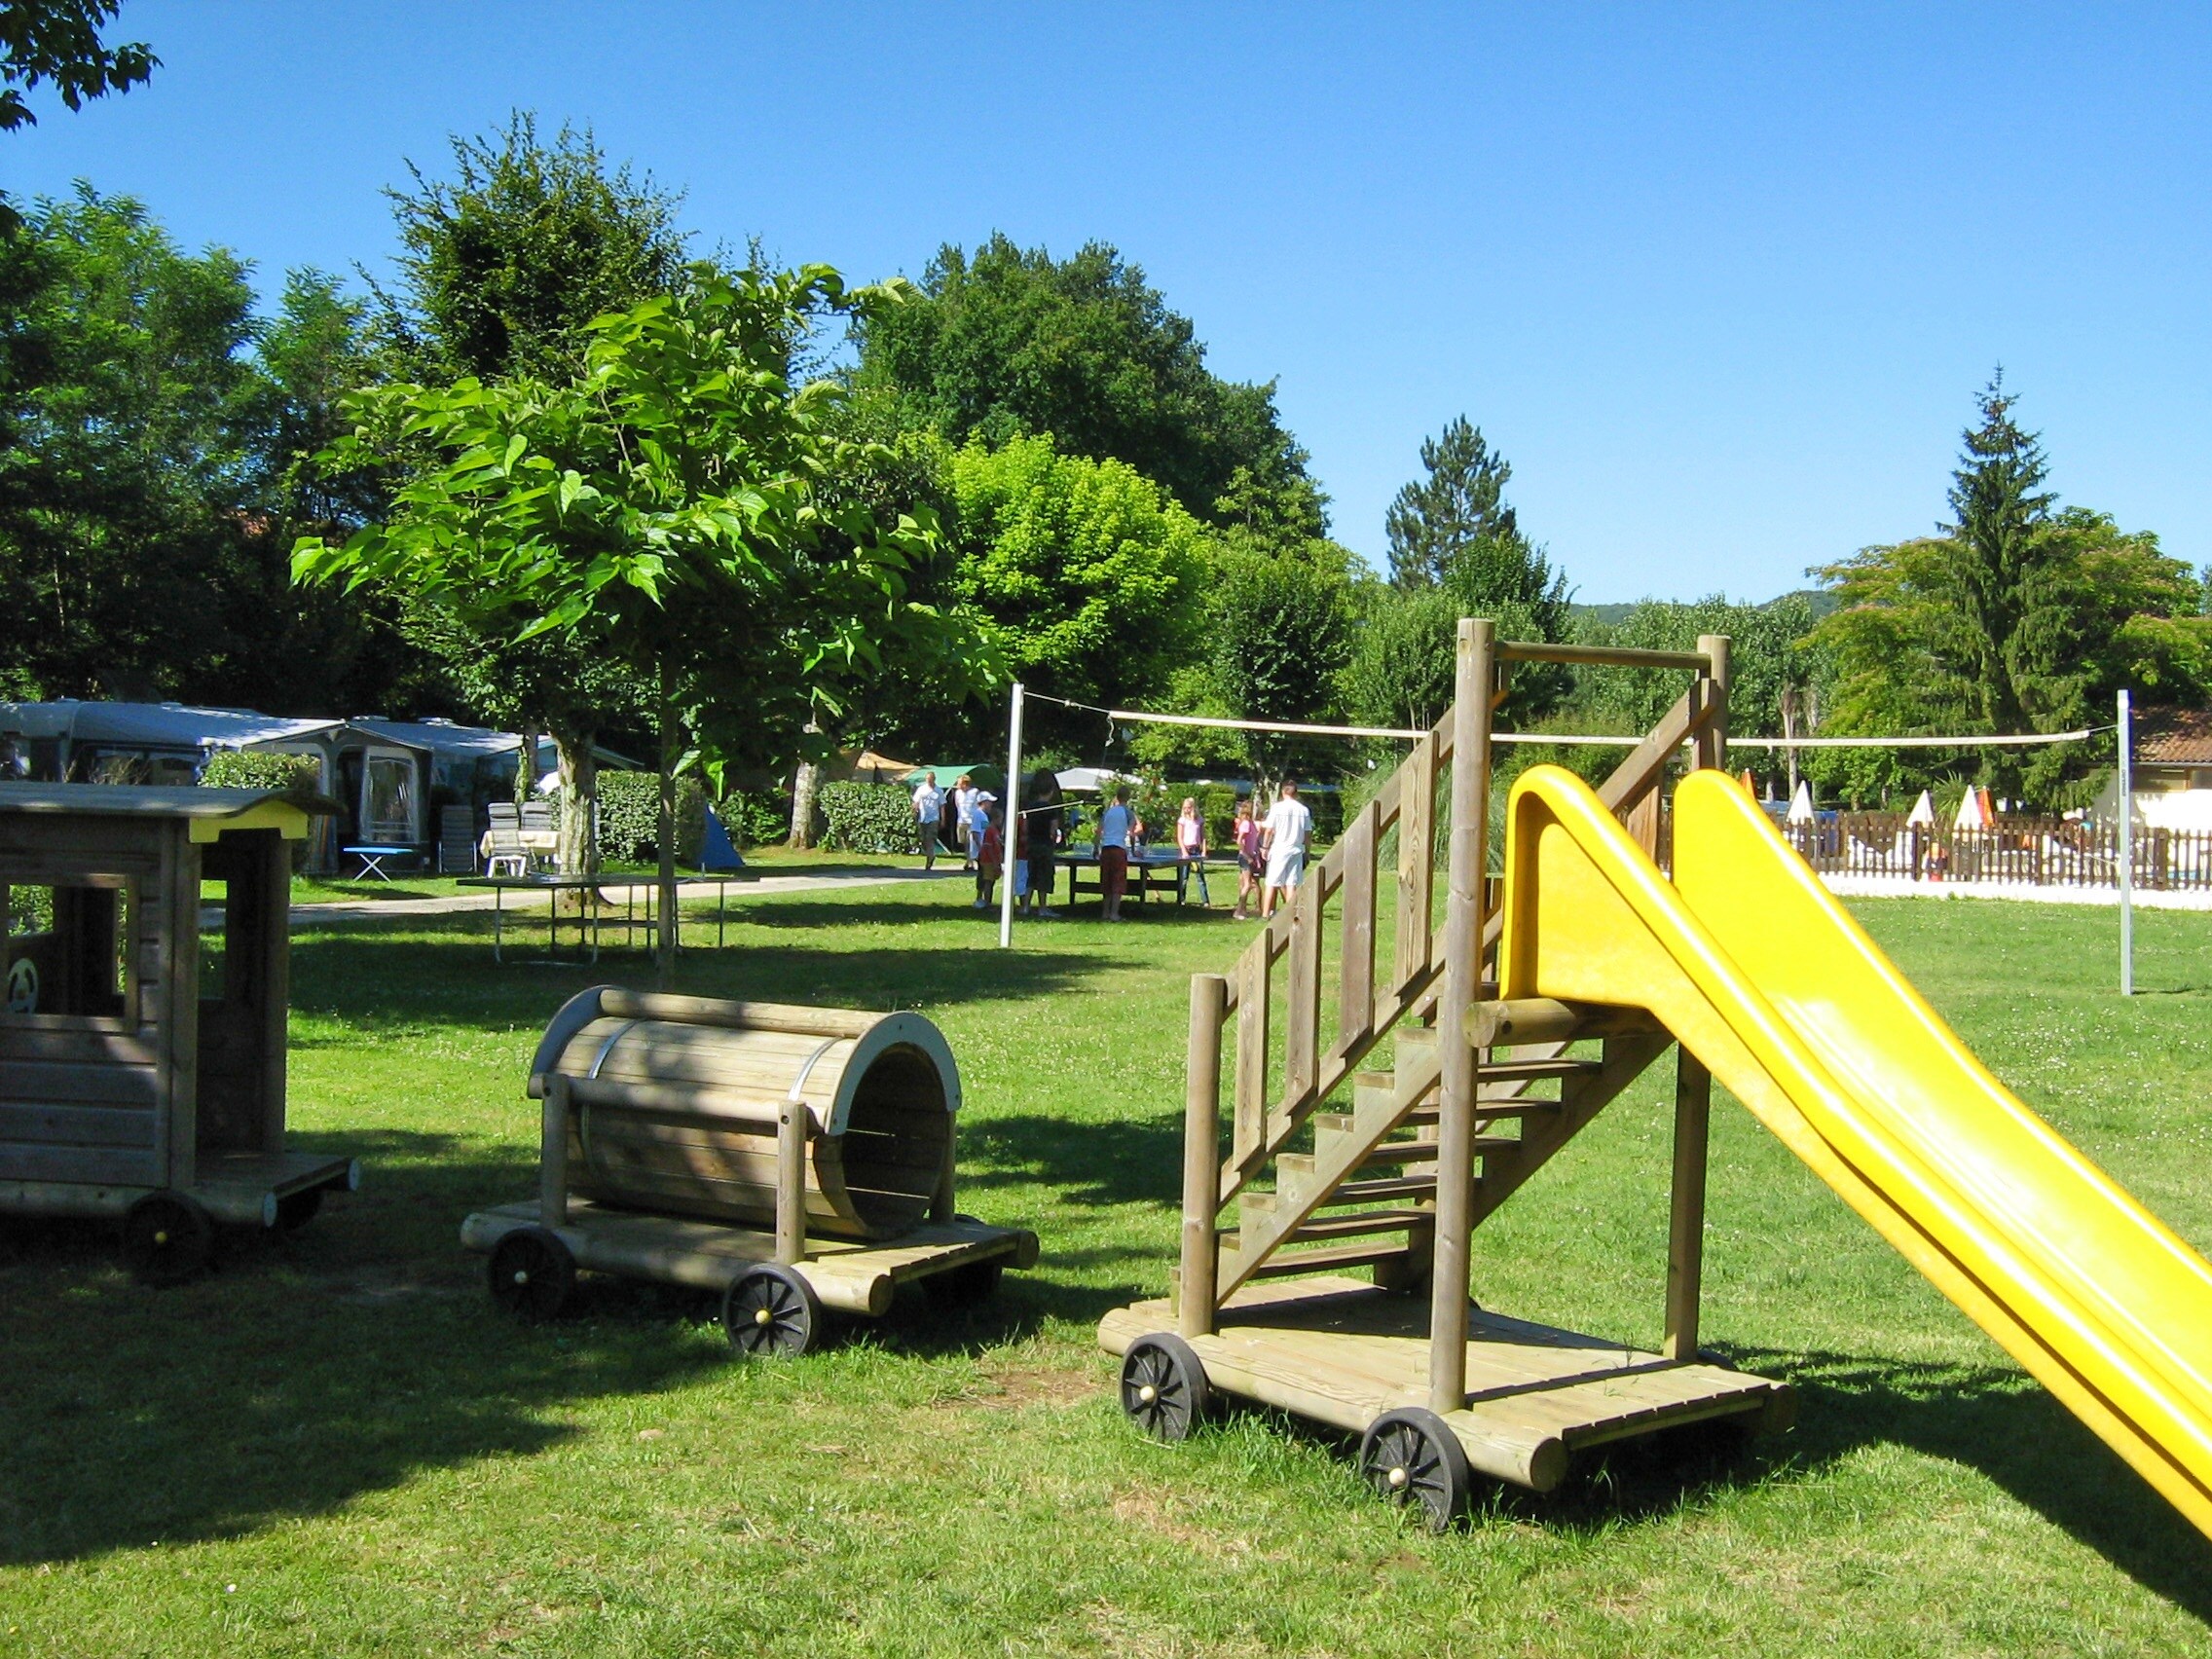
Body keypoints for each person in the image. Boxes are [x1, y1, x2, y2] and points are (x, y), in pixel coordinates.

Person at [1259, 780, 1313, 920]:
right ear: (1296, 793)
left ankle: (1265, 914)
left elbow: (1270, 829)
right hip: (1296, 849)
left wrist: (1265, 846)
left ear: (1283, 792)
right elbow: (1307, 833)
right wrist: (1307, 851)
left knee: (1272, 882)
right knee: (1292, 883)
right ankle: (1290, 914)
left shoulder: (1278, 808)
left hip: (1280, 848)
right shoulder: (1303, 810)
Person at [1021, 769, 1063, 917]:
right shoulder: (1051, 810)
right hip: (1045, 845)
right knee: (1044, 877)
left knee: (1031, 876)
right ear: (1050, 791)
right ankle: (1042, 908)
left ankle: (1025, 907)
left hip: (1032, 844)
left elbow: (1025, 827)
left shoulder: (1030, 807)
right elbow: (1054, 831)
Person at [1097, 784, 1137, 922]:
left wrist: (1096, 847)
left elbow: (1099, 830)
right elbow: (1131, 834)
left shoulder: (1108, 812)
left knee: (1106, 881)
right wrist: (1133, 850)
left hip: (1106, 848)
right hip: (1119, 848)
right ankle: (1114, 914)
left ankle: (1105, 912)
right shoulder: (1128, 813)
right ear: (1128, 797)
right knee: (1117, 882)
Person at [1174, 796, 1212, 907]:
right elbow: (1180, 837)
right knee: (1184, 877)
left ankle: (1205, 901)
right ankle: (1181, 899)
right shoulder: (1182, 820)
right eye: (1184, 808)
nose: (1186, 810)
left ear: (1193, 808)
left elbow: (1203, 836)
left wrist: (1204, 850)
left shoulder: (1199, 820)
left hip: (1196, 850)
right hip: (1186, 849)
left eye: (1189, 808)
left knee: (1200, 876)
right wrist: (1184, 851)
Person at [1231, 798, 1264, 919]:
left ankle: (1243, 909)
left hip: (1252, 856)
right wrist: (1245, 854)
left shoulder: (1251, 823)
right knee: (1247, 884)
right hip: (1245, 857)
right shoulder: (1245, 824)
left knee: (1248, 883)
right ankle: (1238, 910)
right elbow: (1240, 840)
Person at [912, 773, 944, 870]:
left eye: (930, 779)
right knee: (923, 839)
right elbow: (916, 801)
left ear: (934, 779)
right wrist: (914, 809)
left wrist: (943, 819)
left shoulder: (939, 791)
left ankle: (930, 858)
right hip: (923, 818)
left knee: (930, 838)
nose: (929, 781)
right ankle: (930, 854)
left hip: (934, 818)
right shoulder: (922, 789)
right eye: (927, 779)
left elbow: (942, 806)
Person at [975, 802, 1004, 909]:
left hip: (994, 859)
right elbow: (989, 847)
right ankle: (986, 902)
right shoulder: (990, 830)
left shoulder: (995, 830)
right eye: (1001, 819)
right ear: (996, 819)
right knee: (988, 881)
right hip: (988, 860)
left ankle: (988, 901)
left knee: (991, 881)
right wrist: (994, 861)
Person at [952, 775, 978, 869]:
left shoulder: (974, 792)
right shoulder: (958, 793)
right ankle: (970, 859)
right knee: (963, 842)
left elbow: (979, 806)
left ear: (965, 783)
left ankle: (970, 862)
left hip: (972, 821)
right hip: (961, 821)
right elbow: (957, 805)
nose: (957, 785)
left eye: (959, 783)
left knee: (971, 842)